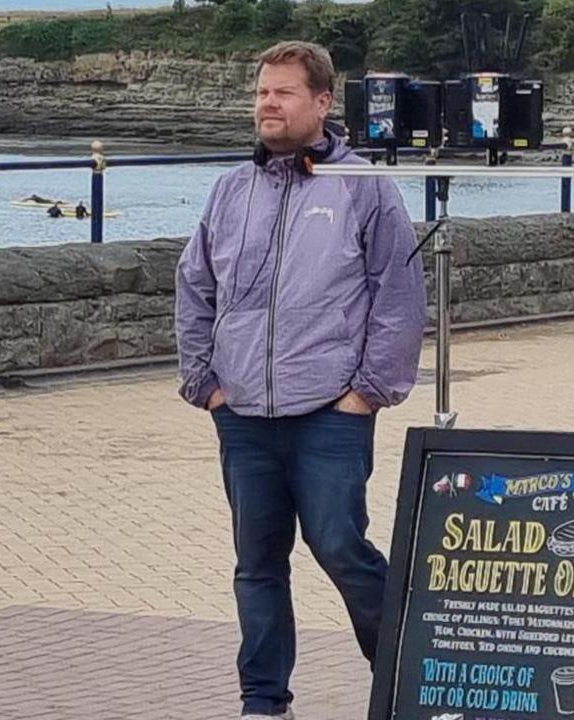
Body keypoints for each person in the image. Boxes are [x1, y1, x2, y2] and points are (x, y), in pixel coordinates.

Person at [174, 40, 426, 720]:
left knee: (341, 547)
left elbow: (399, 295)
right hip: (244, 414)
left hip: (330, 414)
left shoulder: (364, 189)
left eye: (283, 93)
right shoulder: (232, 190)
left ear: (321, 102)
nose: (267, 104)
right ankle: (263, 702)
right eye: (261, 92)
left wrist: (366, 393)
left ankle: (401, 681)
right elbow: (194, 287)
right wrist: (206, 384)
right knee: (257, 565)